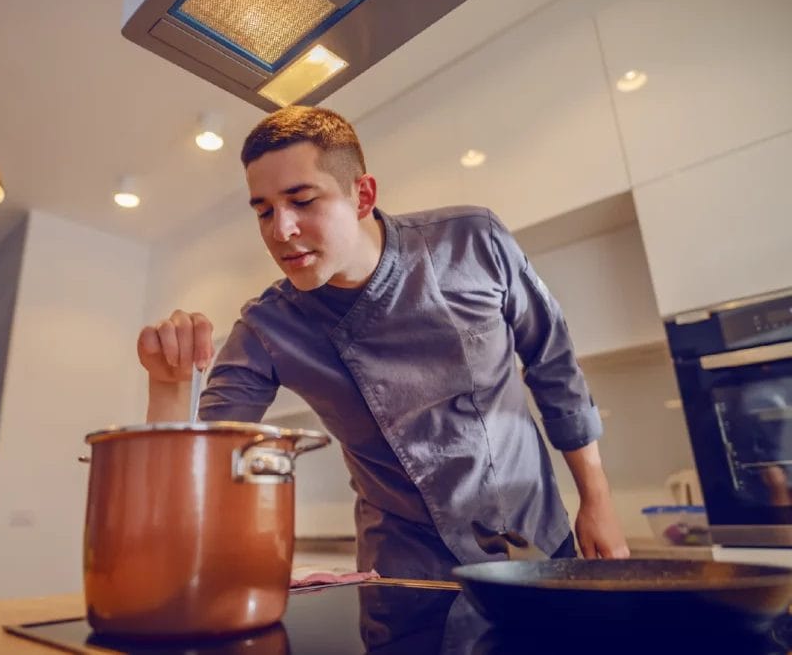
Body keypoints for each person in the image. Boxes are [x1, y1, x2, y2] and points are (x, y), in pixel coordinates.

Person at [137, 105, 629, 579]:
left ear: (363, 196)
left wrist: (596, 498)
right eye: (263, 211)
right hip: (407, 580)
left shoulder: (473, 241)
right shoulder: (269, 327)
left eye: (302, 201)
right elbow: (192, 475)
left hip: (537, 543)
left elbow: (553, 365)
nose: (281, 230)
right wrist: (168, 384)